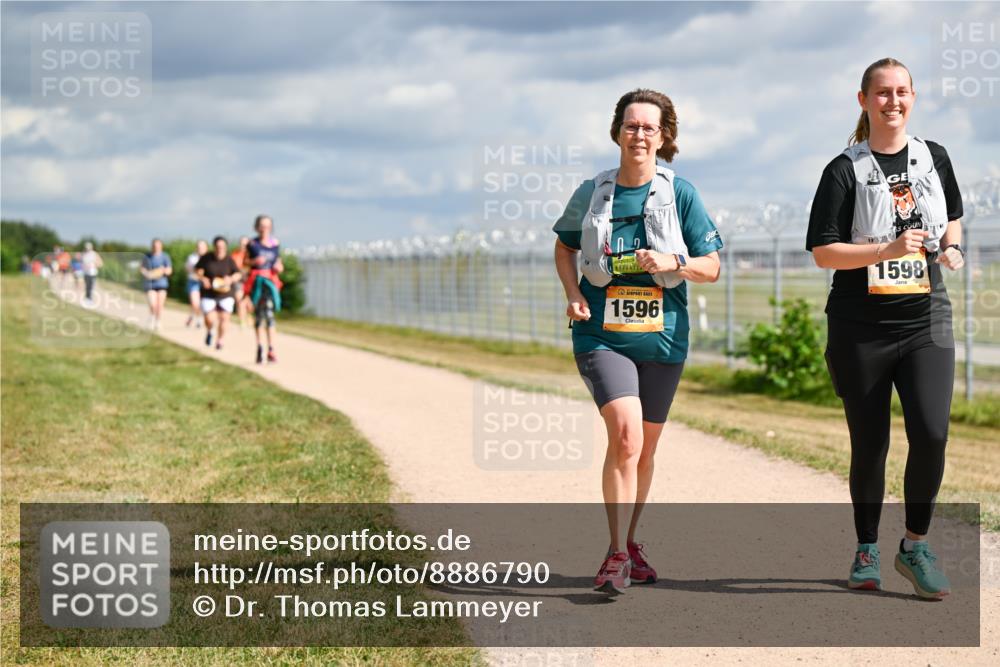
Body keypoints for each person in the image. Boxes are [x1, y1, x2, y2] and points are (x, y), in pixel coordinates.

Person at [553, 89, 723, 595]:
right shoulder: (593, 192)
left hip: (664, 340)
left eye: (650, 127)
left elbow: (712, 268)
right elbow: (564, 249)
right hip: (601, 335)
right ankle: (616, 555)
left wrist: (675, 262)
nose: (639, 135)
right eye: (631, 125)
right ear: (617, 132)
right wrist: (572, 295)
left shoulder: (681, 194)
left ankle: (630, 542)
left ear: (664, 136)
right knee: (625, 437)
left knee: (644, 452)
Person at [807, 58, 964, 599]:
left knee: (933, 434)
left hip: (926, 320)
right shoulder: (843, 170)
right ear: (863, 101)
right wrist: (887, 249)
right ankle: (867, 547)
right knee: (870, 443)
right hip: (860, 327)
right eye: (882, 94)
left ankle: (914, 546)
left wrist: (952, 247)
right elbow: (823, 253)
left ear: (913, 97)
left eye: (901, 93)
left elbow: (953, 217)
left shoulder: (934, 157)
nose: (892, 102)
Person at [245, 215, 284, 364]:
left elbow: (279, 263)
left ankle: (271, 349)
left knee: (270, 315)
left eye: (267, 226)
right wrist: (254, 261)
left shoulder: (275, 244)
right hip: (256, 285)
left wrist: (278, 267)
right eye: (262, 226)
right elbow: (244, 263)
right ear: (256, 227)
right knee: (259, 317)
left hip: (271, 283)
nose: (264, 229)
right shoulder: (252, 244)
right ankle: (260, 346)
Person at [195, 236, 242, 350]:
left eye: (222, 247)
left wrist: (230, 279)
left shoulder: (229, 260)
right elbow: (198, 271)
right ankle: (210, 330)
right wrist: (203, 279)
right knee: (210, 319)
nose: (220, 249)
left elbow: (238, 274)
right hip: (209, 293)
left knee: (224, 318)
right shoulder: (206, 258)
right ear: (214, 247)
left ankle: (220, 340)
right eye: (218, 247)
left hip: (225, 293)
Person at [140, 238, 173, 330]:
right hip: (150, 284)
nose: (156, 247)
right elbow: (142, 268)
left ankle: (158, 320)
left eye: (158, 246)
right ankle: (152, 317)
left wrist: (162, 271)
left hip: (162, 284)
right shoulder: (147, 256)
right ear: (152, 246)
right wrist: (148, 274)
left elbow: (169, 270)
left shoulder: (165, 257)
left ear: (161, 246)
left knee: (159, 305)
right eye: (155, 246)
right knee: (153, 304)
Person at [185, 240, 208, 327]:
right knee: (195, 303)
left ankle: (192, 315)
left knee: (202, 303)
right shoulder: (192, 258)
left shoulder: (209, 258)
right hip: (194, 282)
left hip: (205, 283)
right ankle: (198, 318)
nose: (200, 249)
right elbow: (188, 269)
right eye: (199, 247)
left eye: (202, 247)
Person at [231, 236, 251, 329]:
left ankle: (248, 317)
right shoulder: (234, 254)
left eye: (245, 244)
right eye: (242, 243)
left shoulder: (251, 255)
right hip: (238, 281)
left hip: (250, 281)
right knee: (240, 300)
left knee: (248, 303)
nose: (243, 245)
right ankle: (242, 322)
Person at [80, 242, 103, 307]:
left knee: (90, 286)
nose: (87, 249)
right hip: (85, 272)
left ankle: (89, 299)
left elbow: (100, 263)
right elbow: (82, 263)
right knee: (87, 286)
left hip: (92, 273)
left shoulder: (94, 254)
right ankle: (87, 298)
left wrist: (94, 265)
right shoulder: (84, 254)